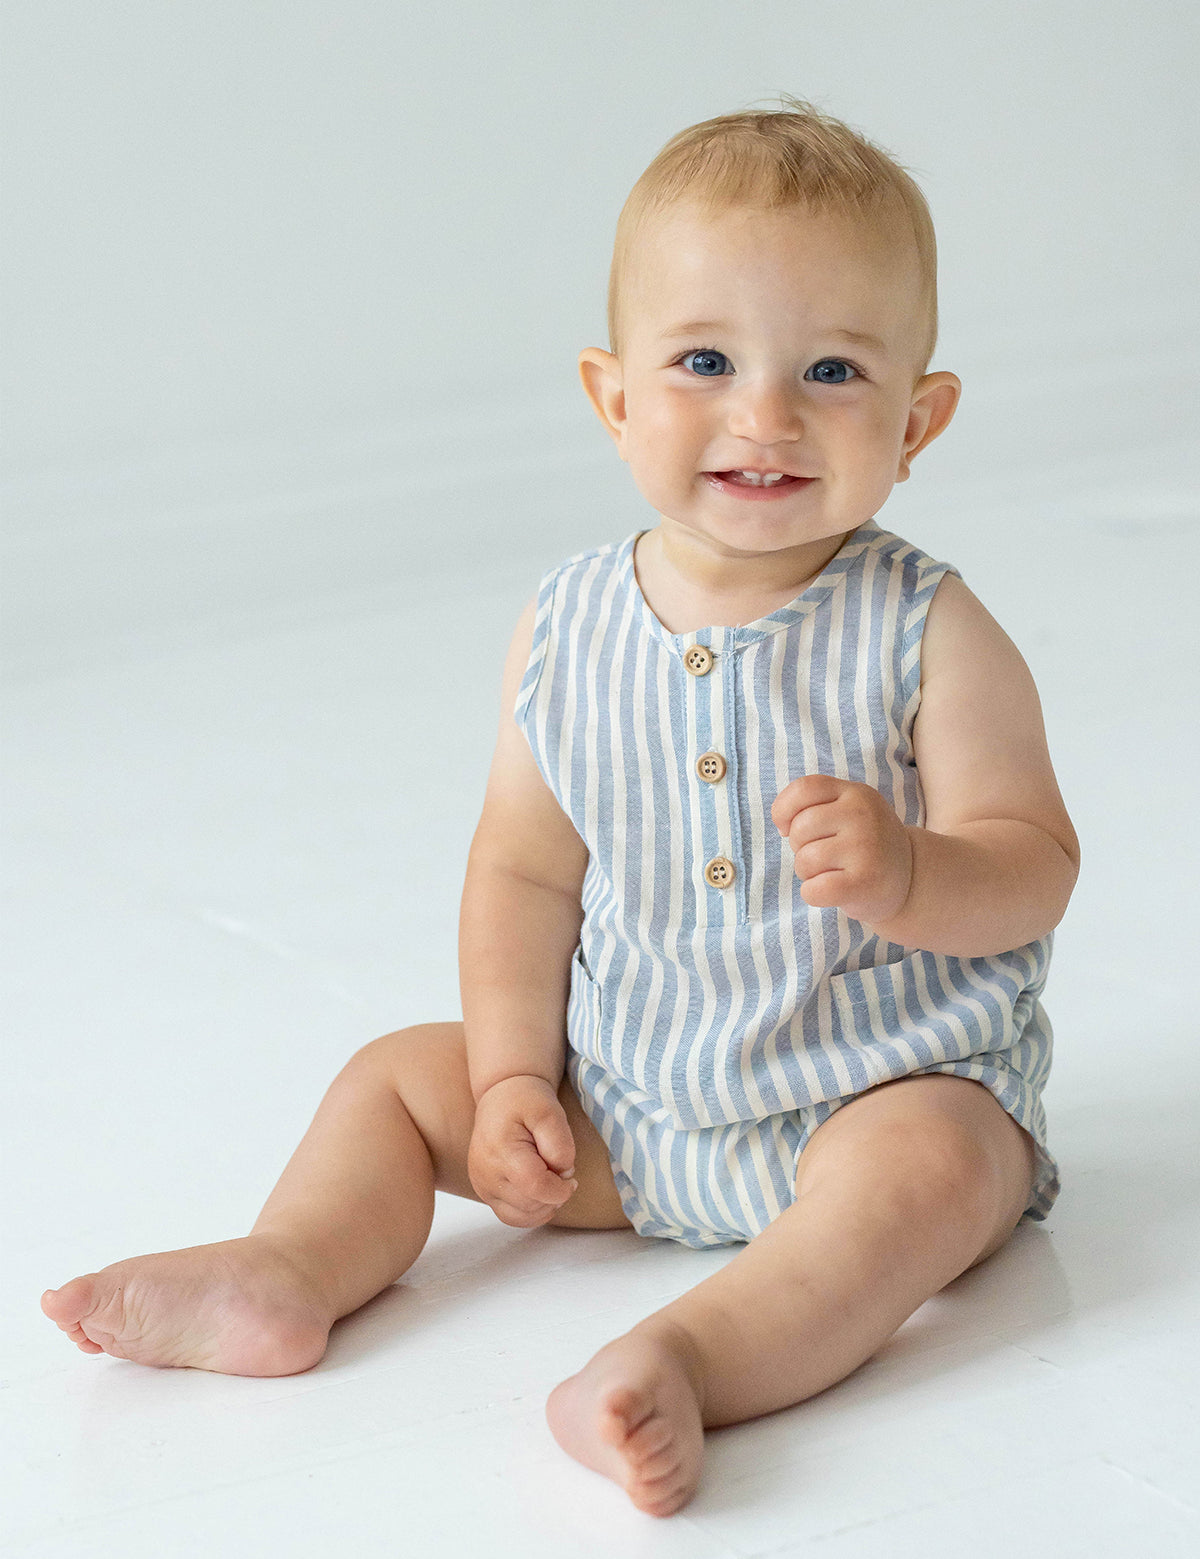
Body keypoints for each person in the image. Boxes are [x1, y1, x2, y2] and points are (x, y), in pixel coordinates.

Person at [42, 97, 1079, 1519]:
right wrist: (521, 1079)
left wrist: (913, 873)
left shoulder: (930, 630)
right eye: (704, 360)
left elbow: (1034, 864)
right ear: (614, 397)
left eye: (832, 370)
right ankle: (287, 1269)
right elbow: (524, 870)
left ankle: (685, 1360)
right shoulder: (569, 625)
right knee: (400, 1080)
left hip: (869, 1093)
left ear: (922, 418)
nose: (763, 414)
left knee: (947, 1167)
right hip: (634, 1104)